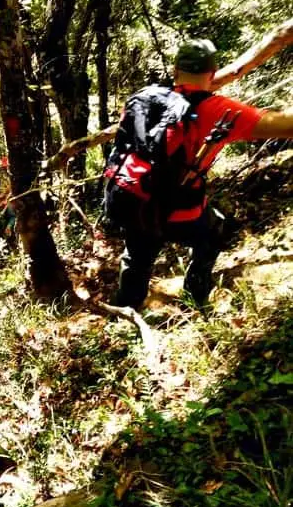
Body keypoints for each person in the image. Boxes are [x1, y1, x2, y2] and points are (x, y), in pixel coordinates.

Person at [115, 38, 293, 310]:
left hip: (137, 204)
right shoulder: (220, 110)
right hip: (183, 212)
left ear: (175, 71)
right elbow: (285, 126)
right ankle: (195, 297)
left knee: (136, 258)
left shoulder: (145, 100)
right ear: (212, 74)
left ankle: (125, 315)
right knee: (213, 231)